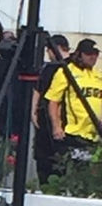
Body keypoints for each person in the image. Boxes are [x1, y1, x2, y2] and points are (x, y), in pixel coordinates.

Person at [45, 37, 102, 157]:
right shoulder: (66, 71)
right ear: (79, 54)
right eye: (88, 54)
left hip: (96, 134)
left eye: (95, 54)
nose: (93, 57)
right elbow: (53, 100)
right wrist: (56, 126)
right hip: (75, 133)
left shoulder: (98, 76)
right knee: (77, 169)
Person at [31, 34, 71, 183]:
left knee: (56, 159)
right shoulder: (47, 67)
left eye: (49, 51)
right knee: (44, 158)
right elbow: (38, 88)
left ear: (55, 49)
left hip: (62, 119)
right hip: (45, 118)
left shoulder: (70, 67)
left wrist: (34, 110)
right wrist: (33, 111)